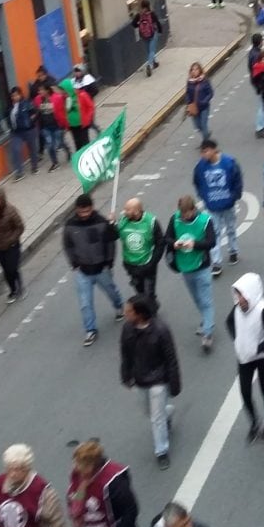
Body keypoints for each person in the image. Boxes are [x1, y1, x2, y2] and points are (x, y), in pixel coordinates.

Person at [121, 296, 181, 469]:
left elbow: (171, 358)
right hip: (140, 379)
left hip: (158, 379)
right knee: (150, 412)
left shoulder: (161, 330)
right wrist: (126, 375)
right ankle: (167, 412)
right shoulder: (127, 329)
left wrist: (174, 382)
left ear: (140, 314)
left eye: (129, 311)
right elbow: (125, 354)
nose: (126, 313)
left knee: (156, 418)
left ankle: (161, 450)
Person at [63, 193, 124, 346]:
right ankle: (90, 330)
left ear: (92, 208)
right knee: (85, 302)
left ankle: (119, 306)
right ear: (76, 209)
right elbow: (68, 245)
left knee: (111, 291)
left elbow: (111, 242)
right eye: (81, 211)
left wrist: (109, 262)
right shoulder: (70, 225)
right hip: (82, 270)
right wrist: (74, 262)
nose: (84, 215)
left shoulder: (102, 222)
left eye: (87, 211)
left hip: (101, 268)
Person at [226, 272, 264, 444]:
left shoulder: (263, 310)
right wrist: (238, 341)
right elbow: (228, 322)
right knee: (245, 391)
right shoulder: (237, 309)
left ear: (251, 293)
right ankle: (255, 422)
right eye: (237, 294)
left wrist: (257, 348)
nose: (239, 299)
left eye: (242, 295)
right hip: (244, 358)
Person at [165, 194, 216, 352]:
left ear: (194, 209)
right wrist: (175, 243)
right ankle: (207, 322)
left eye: (188, 213)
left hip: (202, 266)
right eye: (183, 213)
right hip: (185, 267)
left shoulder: (205, 220)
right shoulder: (175, 219)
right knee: (197, 299)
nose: (185, 216)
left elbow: (211, 242)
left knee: (206, 300)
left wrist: (195, 244)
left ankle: (207, 333)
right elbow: (166, 238)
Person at [194, 139, 243, 276]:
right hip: (212, 205)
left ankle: (233, 250)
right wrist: (204, 197)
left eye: (205, 151)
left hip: (228, 204)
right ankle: (216, 262)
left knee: (231, 228)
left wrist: (234, 196)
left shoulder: (229, 163)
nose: (203, 155)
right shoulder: (200, 166)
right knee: (214, 232)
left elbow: (237, 180)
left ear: (214, 149)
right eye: (202, 152)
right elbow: (197, 182)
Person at [111, 197, 165, 310]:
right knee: (140, 293)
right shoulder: (123, 221)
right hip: (131, 266)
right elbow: (114, 236)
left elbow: (160, 244)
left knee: (148, 293)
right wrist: (112, 224)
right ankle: (152, 303)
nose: (124, 212)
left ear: (137, 211)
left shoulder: (151, 222)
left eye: (128, 210)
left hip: (147, 264)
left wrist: (152, 263)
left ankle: (150, 318)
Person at [32, 81, 68, 170]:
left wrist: (65, 125)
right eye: (39, 90)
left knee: (60, 143)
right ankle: (55, 163)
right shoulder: (38, 100)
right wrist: (34, 118)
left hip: (57, 126)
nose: (39, 92)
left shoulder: (57, 98)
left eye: (41, 90)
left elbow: (62, 111)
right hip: (46, 127)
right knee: (50, 145)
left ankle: (68, 151)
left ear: (47, 91)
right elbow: (38, 112)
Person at [58, 73, 96, 151]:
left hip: (82, 125)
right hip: (72, 126)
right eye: (62, 92)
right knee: (77, 144)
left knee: (85, 143)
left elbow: (90, 107)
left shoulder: (82, 95)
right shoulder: (64, 99)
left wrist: (88, 119)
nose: (63, 93)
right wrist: (65, 123)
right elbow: (62, 111)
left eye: (64, 91)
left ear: (68, 89)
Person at [8, 86, 40, 178]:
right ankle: (19, 172)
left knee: (32, 149)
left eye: (16, 95)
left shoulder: (27, 103)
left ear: (20, 94)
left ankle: (34, 166)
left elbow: (36, 112)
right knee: (15, 150)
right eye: (13, 96)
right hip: (16, 132)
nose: (15, 97)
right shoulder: (10, 106)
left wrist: (31, 121)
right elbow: (7, 117)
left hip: (29, 130)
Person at [133, 0, 163, 77]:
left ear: (141, 6)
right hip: (152, 33)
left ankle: (154, 63)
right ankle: (149, 65)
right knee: (152, 50)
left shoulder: (139, 15)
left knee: (148, 51)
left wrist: (139, 25)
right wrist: (160, 31)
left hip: (143, 35)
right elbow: (157, 22)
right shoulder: (152, 14)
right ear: (148, 5)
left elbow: (133, 24)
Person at [185, 62, 213, 142]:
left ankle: (205, 143)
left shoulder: (205, 80)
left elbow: (210, 93)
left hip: (204, 107)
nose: (194, 71)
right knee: (198, 126)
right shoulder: (189, 82)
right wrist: (188, 102)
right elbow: (187, 93)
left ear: (200, 70)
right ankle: (206, 134)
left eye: (196, 69)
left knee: (204, 125)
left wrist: (204, 101)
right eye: (192, 70)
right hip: (194, 108)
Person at [249, 32, 264, 136]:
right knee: (263, 105)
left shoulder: (252, 52)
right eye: (262, 40)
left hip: (257, 82)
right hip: (260, 83)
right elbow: (258, 70)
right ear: (260, 42)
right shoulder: (257, 55)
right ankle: (260, 128)